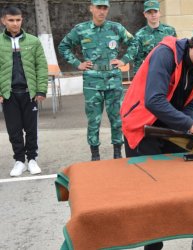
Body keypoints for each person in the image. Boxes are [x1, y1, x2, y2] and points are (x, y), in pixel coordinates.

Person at [120, 24, 193, 250]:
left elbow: (188, 106)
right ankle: (153, 247)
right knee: (152, 195)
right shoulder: (166, 53)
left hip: (172, 127)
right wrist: (192, 126)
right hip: (143, 128)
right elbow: (154, 100)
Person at [58, 0, 135, 161]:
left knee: (117, 118)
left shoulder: (116, 28)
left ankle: (117, 152)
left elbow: (134, 43)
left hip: (113, 80)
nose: (101, 11)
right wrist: (77, 63)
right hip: (92, 82)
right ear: (91, 8)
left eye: (104, 8)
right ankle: (95, 154)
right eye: (98, 7)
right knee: (94, 119)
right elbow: (63, 46)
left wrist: (124, 59)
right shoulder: (81, 29)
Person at [0, 6, 47, 177]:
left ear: (22, 20)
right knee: (14, 129)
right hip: (8, 94)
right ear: (3, 21)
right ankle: (19, 161)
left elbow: (41, 67)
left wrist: (41, 89)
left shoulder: (33, 41)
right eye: (11, 20)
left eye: (18, 20)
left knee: (31, 128)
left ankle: (32, 159)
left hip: (29, 93)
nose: (15, 23)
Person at [130, 0, 176, 75]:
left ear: (160, 13)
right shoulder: (140, 35)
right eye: (149, 12)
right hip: (150, 73)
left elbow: (176, 52)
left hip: (168, 72)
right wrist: (138, 77)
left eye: (155, 11)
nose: (153, 15)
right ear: (145, 14)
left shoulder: (170, 31)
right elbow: (137, 60)